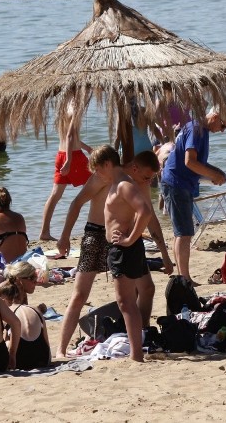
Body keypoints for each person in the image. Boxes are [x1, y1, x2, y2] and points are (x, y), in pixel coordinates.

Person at [54, 146, 172, 357]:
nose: (148, 182)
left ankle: (141, 337)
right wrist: (64, 237)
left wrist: (165, 254)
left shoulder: (133, 183)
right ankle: (61, 350)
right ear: (135, 168)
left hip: (122, 241)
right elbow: (76, 203)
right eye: (146, 177)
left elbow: (150, 217)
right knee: (80, 294)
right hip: (96, 236)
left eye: (151, 179)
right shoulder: (105, 177)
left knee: (147, 288)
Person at [98, 145, 156, 362]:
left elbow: (145, 211)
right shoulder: (117, 183)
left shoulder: (123, 185)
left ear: (107, 164)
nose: (96, 174)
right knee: (132, 298)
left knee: (126, 302)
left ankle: (136, 355)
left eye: (97, 169)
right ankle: (137, 351)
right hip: (125, 248)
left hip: (124, 248)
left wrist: (130, 238)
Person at [161, 110, 226, 283]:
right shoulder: (197, 129)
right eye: (223, 125)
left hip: (178, 182)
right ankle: (185, 278)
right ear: (215, 117)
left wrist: (215, 172)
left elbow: (197, 162)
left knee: (181, 232)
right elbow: (189, 162)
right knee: (184, 233)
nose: (223, 130)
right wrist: (213, 175)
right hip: (176, 183)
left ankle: (182, 277)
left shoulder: (197, 128)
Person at [39, 103, 93, 241]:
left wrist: (87, 148)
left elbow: (70, 137)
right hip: (73, 156)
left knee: (55, 195)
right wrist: (69, 160)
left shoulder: (62, 107)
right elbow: (69, 136)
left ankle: (44, 232)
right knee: (96, 189)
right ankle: (98, 226)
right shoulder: (75, 106)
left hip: (61, 154)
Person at [0, 282, 51, 370]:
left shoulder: (7, 312)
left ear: (3, 300)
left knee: (5, 340)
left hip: (19, 361)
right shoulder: (36, 310)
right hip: (43, 359)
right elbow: (46, 341)